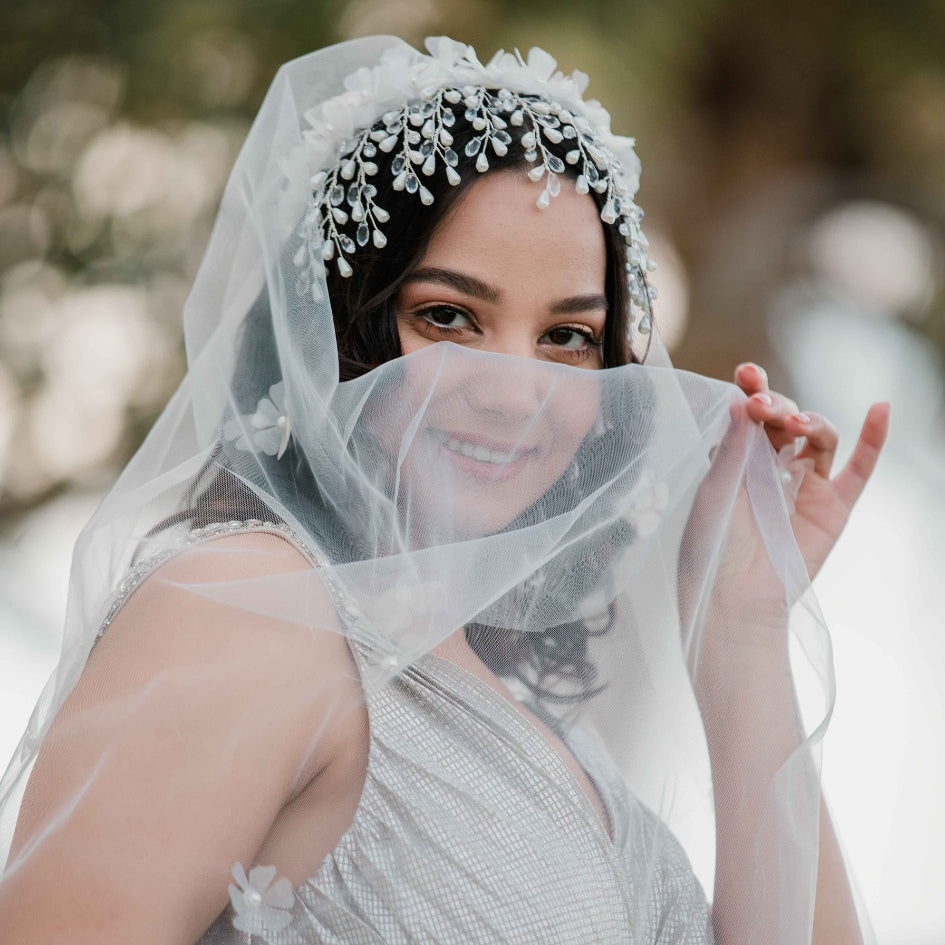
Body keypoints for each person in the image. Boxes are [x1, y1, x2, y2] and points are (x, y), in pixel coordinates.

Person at [0, 36, 888, 944]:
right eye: (448, 317)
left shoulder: (542, 730)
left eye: (567, 338)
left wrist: (739, 623)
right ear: (337, 333)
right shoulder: (248, 605)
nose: (514, 392)